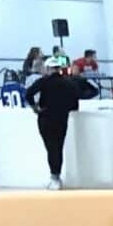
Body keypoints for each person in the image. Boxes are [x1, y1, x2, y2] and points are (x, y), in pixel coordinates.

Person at [26, 57, 97, 187]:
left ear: (48, 68)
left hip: (45, 118)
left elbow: (28, 94)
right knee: (58, 147)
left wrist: (35, 107)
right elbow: (86, 93)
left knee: (50, 148)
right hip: (61, 119)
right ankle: (56, 177)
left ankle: (54, 176)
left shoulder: (43, 82)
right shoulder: (69, 82)